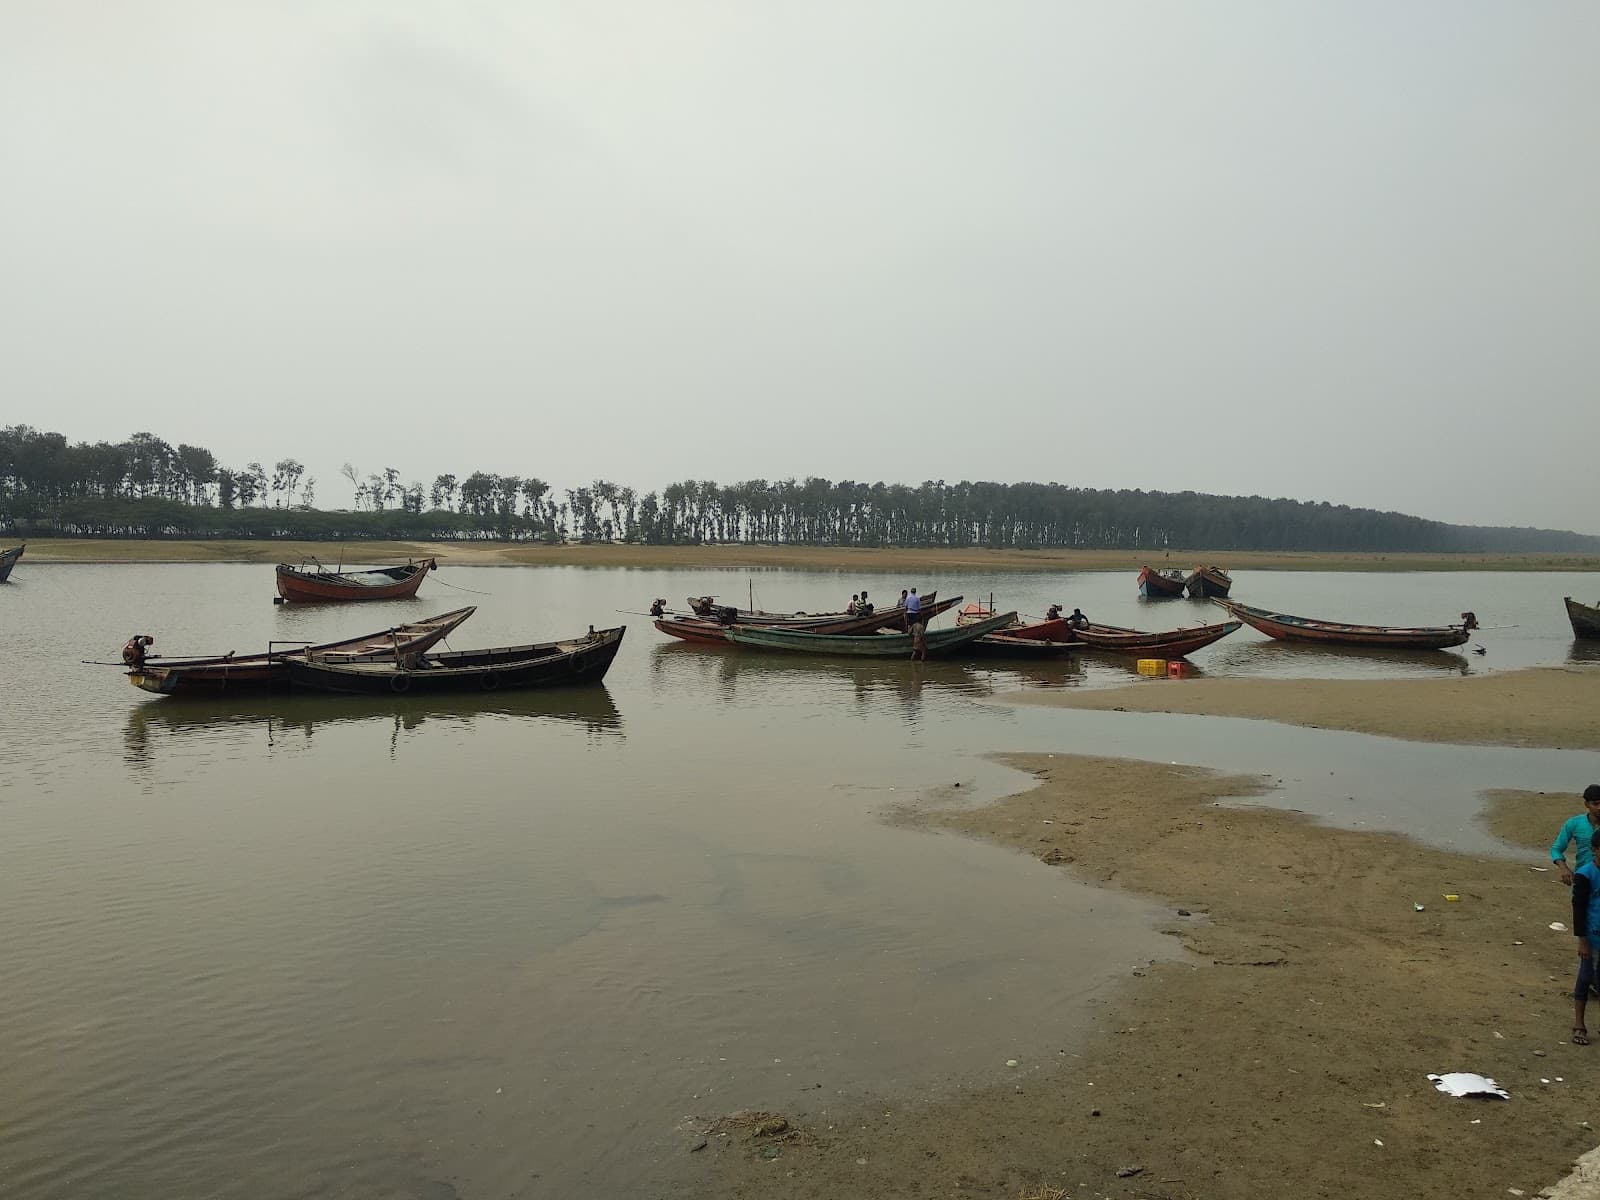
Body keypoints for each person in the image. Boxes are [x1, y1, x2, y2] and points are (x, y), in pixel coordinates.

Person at [1571, 827, 1600, 1044]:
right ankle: (1579, 1024)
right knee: (1586, 977)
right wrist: (1582, 940)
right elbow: (1579, 909)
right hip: (1591, 936)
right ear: (1594, 850)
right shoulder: (1585, 875)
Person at [1552, 785, 1600, 885]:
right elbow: (1556, 849)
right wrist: (1564, 869)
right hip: (1583, 878)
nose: (1599, 808)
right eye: (1595, 804)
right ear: (1587, 804)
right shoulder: (1574, 823)